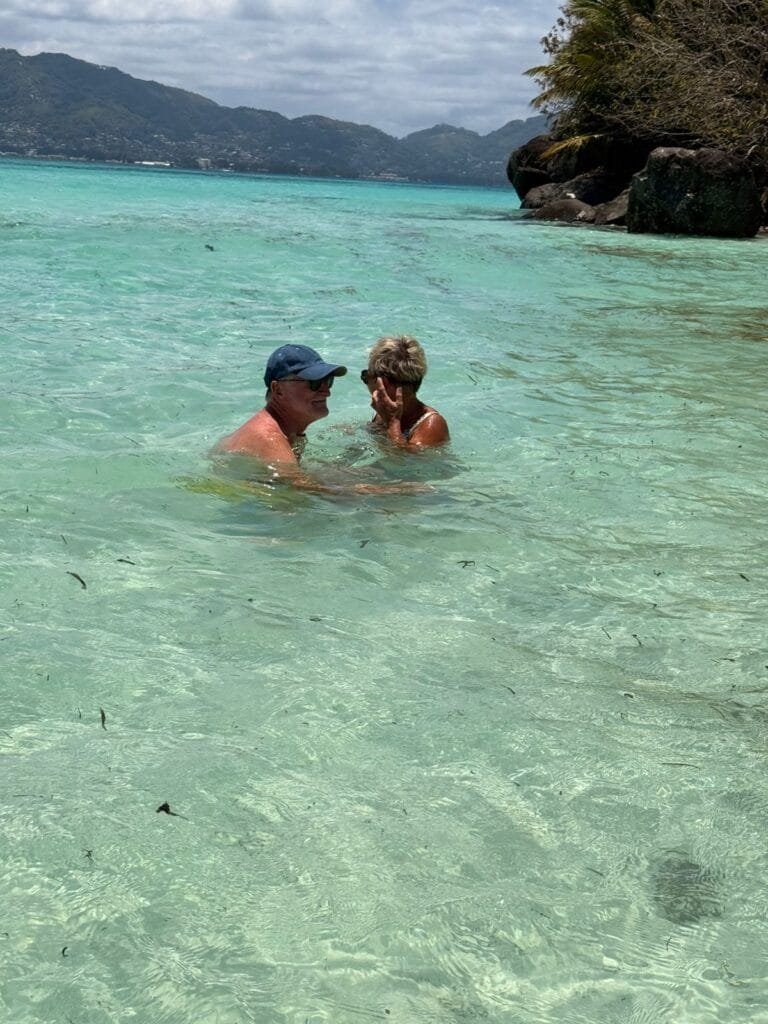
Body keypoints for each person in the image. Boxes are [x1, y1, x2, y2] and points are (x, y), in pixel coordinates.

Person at [214, 343, 347, 465]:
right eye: (314, 383)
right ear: (278, 389)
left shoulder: (282, 432)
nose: (326, 392)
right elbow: (302, 484)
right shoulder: (270, 440)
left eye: (327, 381)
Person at [362, 335, 449, 448]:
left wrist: (392, 423)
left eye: (365, 376)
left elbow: (402, 458)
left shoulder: (432, 424)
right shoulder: (386, 410)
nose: (366, 382)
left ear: (382, 383)